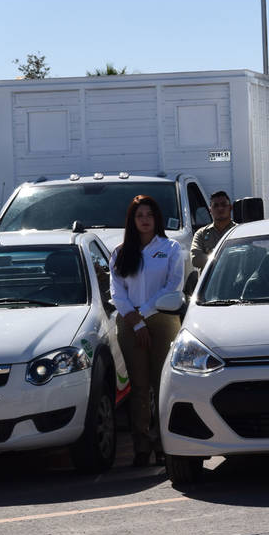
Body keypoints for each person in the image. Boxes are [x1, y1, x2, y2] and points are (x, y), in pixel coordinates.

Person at [109, 194, 185, 467]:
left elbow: (174, 285)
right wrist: (136, 321)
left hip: (162, 319)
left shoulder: (171, 248)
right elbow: (117, 293)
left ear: (157, 219)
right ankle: (141, 447)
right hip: (130, 322)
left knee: (162, 384)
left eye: (149, 215)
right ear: (132, 220)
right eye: (139, 215)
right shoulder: (120, 252)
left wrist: (146, 312)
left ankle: (165, 444)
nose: (145, 220)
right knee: (139, 387)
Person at [190, 190, 235, 271]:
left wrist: (211, 256)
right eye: (215, 205)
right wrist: (227, 258)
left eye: (224, 204)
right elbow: (196, 259)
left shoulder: (239, 231)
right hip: (210, 279)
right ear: (210, 210)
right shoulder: (201, 234)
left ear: (230, 208)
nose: (220, 208)